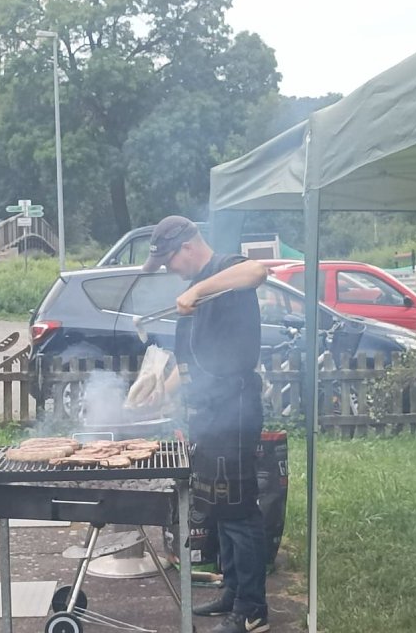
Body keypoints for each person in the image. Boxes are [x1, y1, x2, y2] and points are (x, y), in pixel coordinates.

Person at [140, 215, 270, 633]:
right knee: (218, 506)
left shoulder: (226, 270)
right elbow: (193, 358)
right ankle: (233, 591)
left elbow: (258, 271)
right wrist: (164, 390)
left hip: (233, 407)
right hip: (208, 410)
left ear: (188, 247)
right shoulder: (193, 296)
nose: (171, 270)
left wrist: (198, 287)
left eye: (170, 261)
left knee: (239, 509)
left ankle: (251, 611)